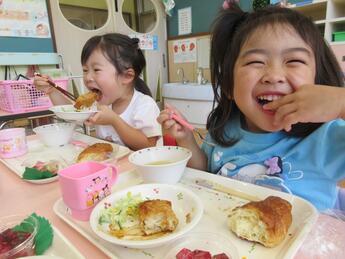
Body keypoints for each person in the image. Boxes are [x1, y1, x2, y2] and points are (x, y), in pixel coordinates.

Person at [158, 6, 345, 211]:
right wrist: (186, 139)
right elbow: (205, 171)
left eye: (294, 61)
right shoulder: (225, 130)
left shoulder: (328, 137)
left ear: (317, 79)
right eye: (256, 61)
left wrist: (341, 103)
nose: (274, 75)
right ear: (229, 85)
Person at [34, 33, 162, 150]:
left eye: (96, 70)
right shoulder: (99, 104)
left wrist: (114, 120)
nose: (88, 77)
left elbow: (149, 146)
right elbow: (72, 113)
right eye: (85, 70)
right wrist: (51, 91)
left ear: (126, 76)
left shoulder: (144, 105)